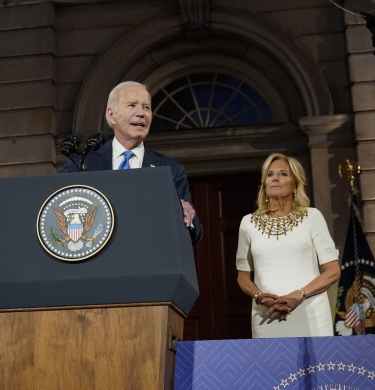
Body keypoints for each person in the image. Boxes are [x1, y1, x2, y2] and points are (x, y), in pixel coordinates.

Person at [59, 81, 202, 244]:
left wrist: (188, 219)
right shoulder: (84, 164)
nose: (141, 113)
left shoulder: (170, 170)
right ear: (112, 115)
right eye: (132, 105)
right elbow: (58, 206)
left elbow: (194, 232)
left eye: (146, 107)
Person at [235, 153, 340, 338]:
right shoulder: (248, 222)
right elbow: (242, 277)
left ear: (295, 184)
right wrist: (260, 296)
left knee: (315, 367)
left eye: (283, 174)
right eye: (270, 174)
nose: (275, 178)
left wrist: (298, 295)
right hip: (267, 314)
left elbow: (333, 271)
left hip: (311, 312)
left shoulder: (312, 217)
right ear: (264, 185)